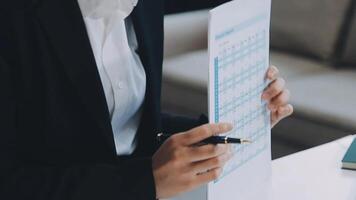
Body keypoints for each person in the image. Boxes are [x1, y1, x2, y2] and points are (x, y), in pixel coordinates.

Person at [0, 0, 293, 199]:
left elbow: (132, 127)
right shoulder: (14, 17)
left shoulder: (144, 6)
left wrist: (235, 124)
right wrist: (145, 181)